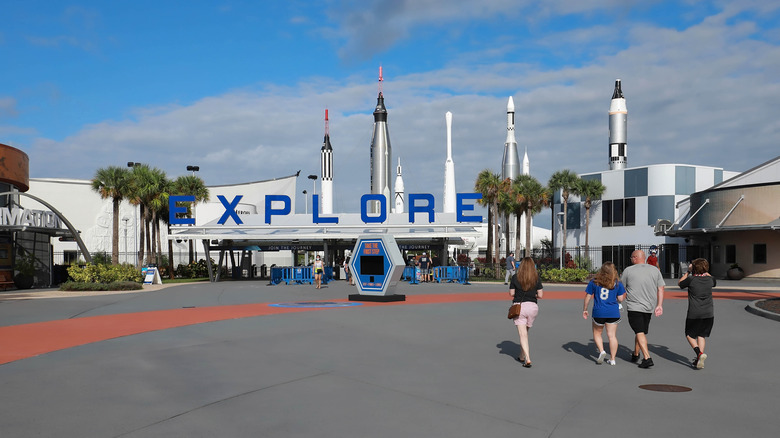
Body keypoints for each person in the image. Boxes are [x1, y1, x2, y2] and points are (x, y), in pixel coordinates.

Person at [621, 250, 665, 369]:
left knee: (639, 332)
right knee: (640, 331)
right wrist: (659, 305)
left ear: (635, 258)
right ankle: (636, 353)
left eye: (631, 257)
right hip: (649, 307)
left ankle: (647, 358)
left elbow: (622, 289)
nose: (631, 259)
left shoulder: (628, 270)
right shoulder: (655, 270)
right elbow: (661, 288)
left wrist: (617, 301)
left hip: (634, 307)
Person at [582, 262, 626, 365]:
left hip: (599, 311)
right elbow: (620, 298)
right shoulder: (617, 283)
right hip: (613, 312)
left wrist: (585, 309)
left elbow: (587, 296)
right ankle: (613, 359)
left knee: (597, 333)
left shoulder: (594, 282)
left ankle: (602, 351)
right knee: (612, 336)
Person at [678, 258, 716, 369]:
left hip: (694, 313)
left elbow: (680, 283)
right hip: (708, 313)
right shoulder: (710, 280)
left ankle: (699, 353)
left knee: (689, 334)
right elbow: (710, 277)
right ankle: (699, 358)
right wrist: (703, 269)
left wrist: (688, 271)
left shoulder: (691, 280)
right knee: (701, 335)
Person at [509, 257, 544, 368]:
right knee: (525, 333)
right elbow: (541, 295)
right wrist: (532, 294)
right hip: (533, 307)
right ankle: (521, 355)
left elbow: (511, 293)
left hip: (520, 307)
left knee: (522, 334)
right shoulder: (536, 278)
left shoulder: (515, 278)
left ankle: (528, 359)